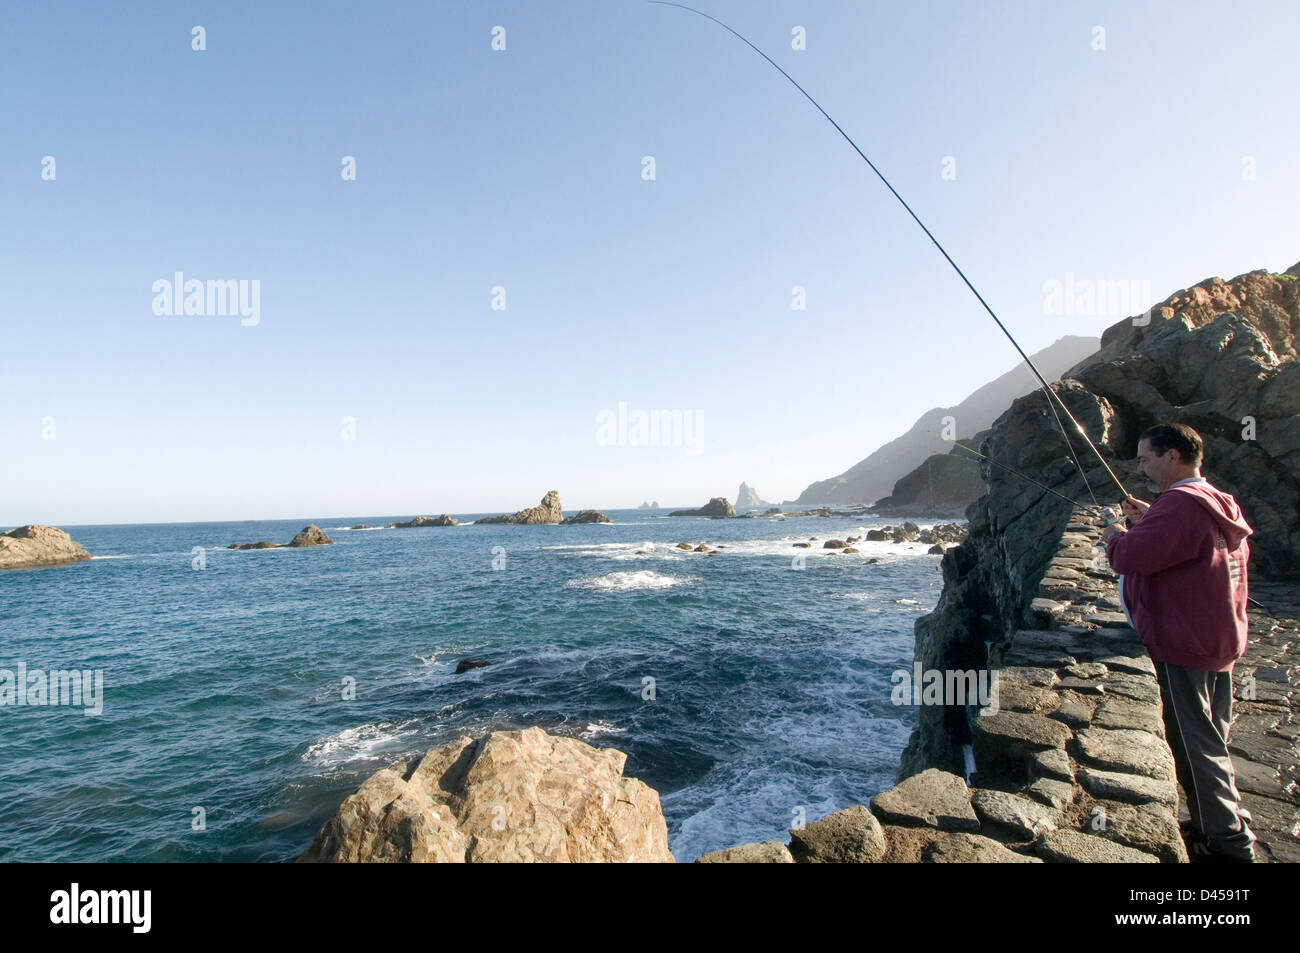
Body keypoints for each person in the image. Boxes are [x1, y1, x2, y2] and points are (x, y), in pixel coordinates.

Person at [1101, 423, 1256, 863]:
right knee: (1212, 738)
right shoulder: (1215, 499)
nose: (1141, 466)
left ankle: (1228, 844)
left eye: (1146, 458)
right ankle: (1214, 821)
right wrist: (1148, 518)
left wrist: (1114, 531)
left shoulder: (1179, 507)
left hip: (1185, 640)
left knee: (1196, 745)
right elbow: (1189, 544)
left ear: (1173, 457)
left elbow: (1128, 557)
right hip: (1219, 635)